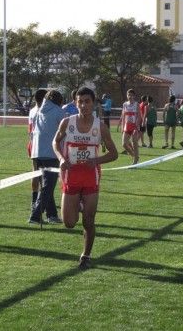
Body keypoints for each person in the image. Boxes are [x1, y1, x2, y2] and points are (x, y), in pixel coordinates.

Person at [53, 87, 118, 270]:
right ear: (75, 103)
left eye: (87, 101)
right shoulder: (67, 122)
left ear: (93, 103)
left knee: (89, 220)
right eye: (80, 102)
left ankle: (86, 255)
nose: (83, 105)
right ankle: (79, 204)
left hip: (91, 177)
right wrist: (61, 159)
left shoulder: (100, 126)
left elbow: (114, 154)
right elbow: (55, 142)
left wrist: (96, 160)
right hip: (71, 176)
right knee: (69, 223)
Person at [28, 90, 65, 225]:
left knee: (46, 185)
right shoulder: (59, 112)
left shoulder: (38, 111)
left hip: (37, 153)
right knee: (48, 187)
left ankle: (52, 215)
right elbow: (64, 133)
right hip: (51, 153)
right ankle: (35, 215)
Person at [27, 88, 48, 210]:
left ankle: (35, 199)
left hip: (32, 143)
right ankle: (39, 201)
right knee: (45, 176)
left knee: (35, 173)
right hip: (41, 145)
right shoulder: (43, 111)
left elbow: (29, 129)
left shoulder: (32, 111)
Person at [117, 89, 141, 165]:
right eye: (128, 95)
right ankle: (134, 156)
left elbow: (139, 116)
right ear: (127, 96)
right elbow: (123, 116)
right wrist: (122, 126)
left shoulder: (137, 104)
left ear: (134, 96)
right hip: (127, 126)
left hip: (134, 126)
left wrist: (137, 127)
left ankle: (135, 161)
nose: (130, 96)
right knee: (124, 144)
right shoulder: (125, 104)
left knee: (134, 143)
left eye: (131, 95)